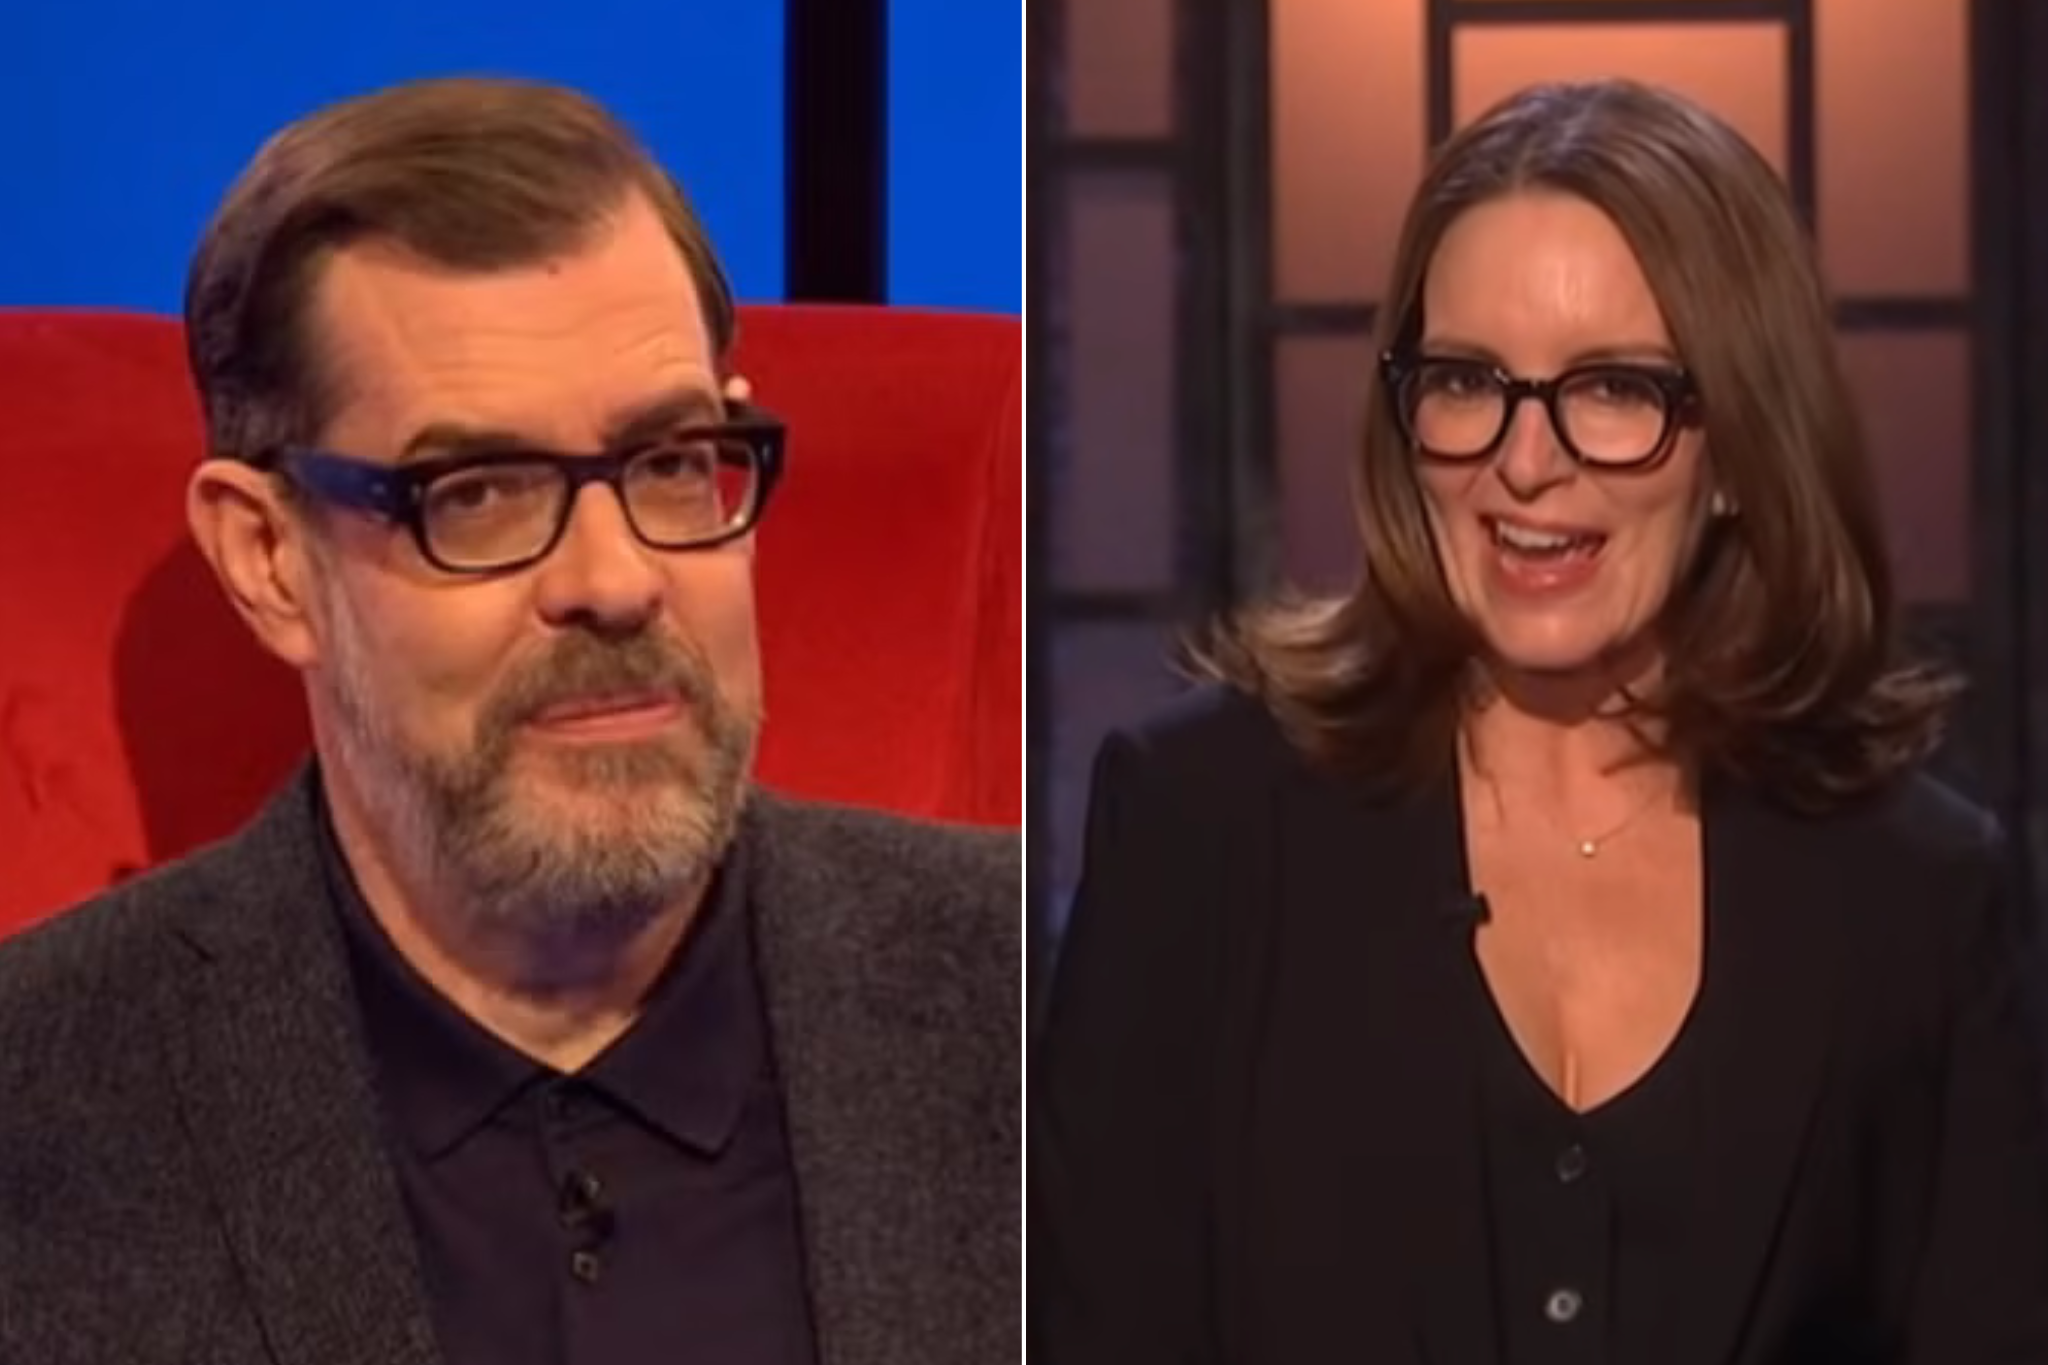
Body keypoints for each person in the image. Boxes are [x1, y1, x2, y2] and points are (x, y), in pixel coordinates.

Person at [0, 76, 1016, 1365]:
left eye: (667, 463)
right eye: (478, 491)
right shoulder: (38, 1108)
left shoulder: (1062, 1001)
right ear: (269, 560)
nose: (616, 581)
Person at [1036, 78, 2048, 1364]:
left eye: (1612, 389)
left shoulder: (1911, 892)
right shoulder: (1201, 827)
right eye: (1466, 381)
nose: (1524, 461)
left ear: (1738, 449)